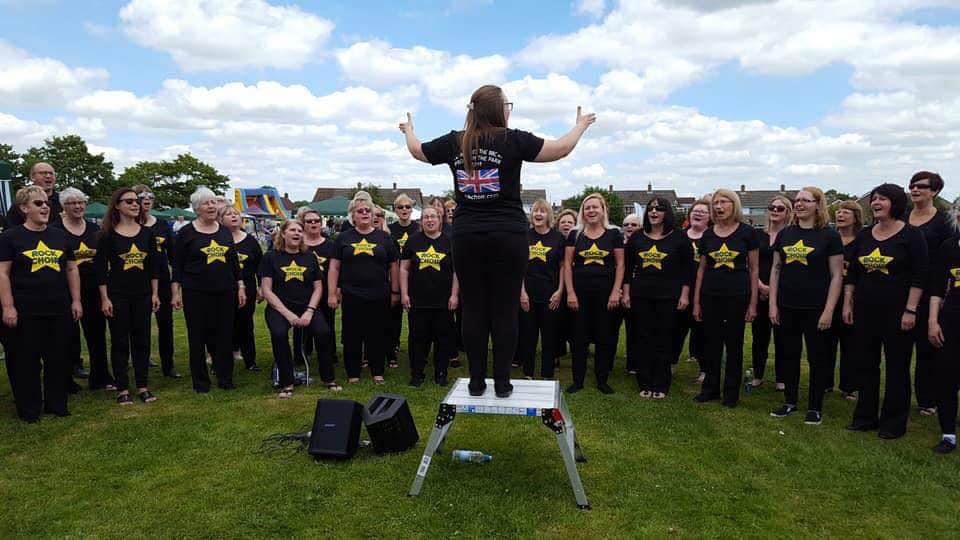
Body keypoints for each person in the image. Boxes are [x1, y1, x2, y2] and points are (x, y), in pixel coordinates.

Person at [401, 84, 596, 397]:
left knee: (475, 308)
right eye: (507, 105)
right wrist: (580, 126)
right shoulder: (513, 139)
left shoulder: (455, 141)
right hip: (508, 234)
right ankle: (503, 382)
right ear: (498, 110)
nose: (509, 110)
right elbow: (560, 149)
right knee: (505, 310)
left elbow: (416, 150)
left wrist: (409, 130)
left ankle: (477, 381)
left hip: (467, 236)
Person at [843, 183, 927, 439]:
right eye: (874, 199)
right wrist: (848, 303)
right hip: (865, 311)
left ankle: (893, 423)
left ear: (895, 203)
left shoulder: (911, 236)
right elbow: (853, 275)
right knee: (866, 365)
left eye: (882, 199)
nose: (876, 203)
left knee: (897, 368)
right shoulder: (865, 236)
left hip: (899, 313)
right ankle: (865, 417)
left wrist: (910, 310)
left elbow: (920, 275)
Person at [0, 186, 82, 422]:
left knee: (58, 358)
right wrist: (8, 306)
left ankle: (57, 404)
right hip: (25, 310)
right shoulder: (9, 238)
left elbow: (71, 268)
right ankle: (29, 408)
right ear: (24, 208)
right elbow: (3, 273)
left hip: (58, 308)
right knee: (24, 361)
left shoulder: (59, 236)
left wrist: (76, 300)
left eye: (46, 203)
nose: (45, 207)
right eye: (38, 203)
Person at [767, 187, 843, 424]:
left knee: (817, 358)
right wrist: (772, 305)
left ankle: (815, 406)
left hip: (816, 308)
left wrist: (829, 310)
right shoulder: (786, 234)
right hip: (786, 306)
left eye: (805, 200)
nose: (799, 204)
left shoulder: (829, 236)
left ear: (818, 205)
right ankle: (789, 401)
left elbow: (837, 275)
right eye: (797, 200)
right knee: (788, 355)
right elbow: (776, 269)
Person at [172, 188, 245, 393]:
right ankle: (201, 382)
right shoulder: (186, 233)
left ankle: (225, 378)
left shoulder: (223, 231)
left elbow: (233, 263)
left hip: (225, 291)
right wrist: (176, 292)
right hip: (196, 292)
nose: (211, 206)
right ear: (197, 208)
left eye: (213, 202)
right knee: (197, 337)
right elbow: (177, 265)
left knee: (224, 335)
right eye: (206, 203)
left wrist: (240, 286)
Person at [692, 189, 759, 407]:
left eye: (724, 202)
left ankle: (731, 393)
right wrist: (697, 302)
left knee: (734, 346)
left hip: (737, 296)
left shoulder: (747, 233)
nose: (719, 207)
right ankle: (710, 389)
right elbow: (701, 269)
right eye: (716, 203)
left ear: (734, 204)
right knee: (711, 344)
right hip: (710, 296)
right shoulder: (708, 234)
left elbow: (754, 270)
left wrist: (752, 303)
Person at [94, 188, 162, 405]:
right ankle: (122, 387)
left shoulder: (147, 233)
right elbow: (100, 269)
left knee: (142, 340)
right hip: (117, 295)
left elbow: (154, 267)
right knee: (120, 341)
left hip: (142, 294)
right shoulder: (107, 234)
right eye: (130, 201)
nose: (135, 204)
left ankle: (143, 385)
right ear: (117, 205)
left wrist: (154, 294)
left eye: (137, 201)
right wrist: (105, 298)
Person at [623, 197, 693, 398]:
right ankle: (644, 382)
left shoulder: (679, 238)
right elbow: (628, 268)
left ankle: (661, 384)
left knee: (664, 339)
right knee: (642, 338)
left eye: (659, 209)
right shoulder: (637, 238)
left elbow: (688, 270)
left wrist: (685, 295)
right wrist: (626, 293)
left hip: (669, 297)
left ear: (666, 213)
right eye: (651, 209)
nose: (654, 212)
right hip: (640, 296)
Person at [328, 197, 399, 384]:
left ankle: (377, 371)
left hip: (379, 294)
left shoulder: (384, 238)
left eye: (368, 210)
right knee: (352, 334)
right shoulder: (343, 238)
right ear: (353, 215)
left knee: (377, 333)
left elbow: (394, 267)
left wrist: (395, 291)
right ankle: (353, 373)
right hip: (351, 294)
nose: (365, 213)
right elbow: (334, 267)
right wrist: (332, 292)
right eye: (360, 211)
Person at [260, 220, 334, 397]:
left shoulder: (309, 257)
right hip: (279, 308)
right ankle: (287, 381)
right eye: (292, 230)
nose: (297, 233)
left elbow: (318, 288)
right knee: (278, 334)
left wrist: (310, 310)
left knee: (323, 332)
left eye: (300, 231)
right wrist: (287, 314)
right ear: (283, 233)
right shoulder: (270, 257)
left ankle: (328, 378)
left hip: (307, 306)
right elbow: (266, 290)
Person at [564, 193, 624, 394]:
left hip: (606, 294)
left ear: (603, 210)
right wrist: (570, 293)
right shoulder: (575, 234)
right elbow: (567, 265)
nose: (591, 211)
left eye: (595, 207)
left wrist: (616, 291)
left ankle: (602, 380)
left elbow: (621, 264)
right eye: (587, 207)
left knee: (604, 337)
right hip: (579, 294)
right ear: (583, 211)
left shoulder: (614, 234)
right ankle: (578, 380)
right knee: (578, 337)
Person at [906, 171, 952, 416]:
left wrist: (943, 292)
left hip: (931, 291)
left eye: (921, 186)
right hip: (901, 290)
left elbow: (948, 260)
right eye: (912, 186)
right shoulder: (902, 216)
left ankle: (926, 399)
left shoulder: (943, 221)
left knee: (927, 348)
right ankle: (898, 394)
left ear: (934, 191)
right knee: (899, 346)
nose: (914, 190)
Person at [55, 188, 109, 388]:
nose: (77, 206)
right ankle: (66, 379)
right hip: (65, 290)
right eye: (71, 203)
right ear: (63, 206)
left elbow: (103, 261)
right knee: (66, 336)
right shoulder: (55, 230)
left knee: (97, 334)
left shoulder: (95, 231)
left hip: (93, 289)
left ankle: (101, 376)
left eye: (80, 202)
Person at [400, 207, 458, 386]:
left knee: (443, 338)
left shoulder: (450, 241)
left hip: (443, 301)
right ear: (421, 221)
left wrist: (454, 295)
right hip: (418, 300)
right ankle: (417, 373)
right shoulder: (413, 241)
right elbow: (403, 268)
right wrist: (404, 293)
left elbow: (457, 271)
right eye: (426, 217)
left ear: (440, 220)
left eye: (433, 217)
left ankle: (441, 372)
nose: (429, 220)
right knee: (418, 339)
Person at [133, 185, 179, 378]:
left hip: (162, 278)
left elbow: (173, 255)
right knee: (138, 324)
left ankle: (168, 365)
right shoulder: (128, 224)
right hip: (137, 278)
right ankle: (140, 362)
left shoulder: (161, 224)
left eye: (150, 197)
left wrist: (176, 286)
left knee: (165, 323)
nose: (147, 200)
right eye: (142, 197)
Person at [519, 199, 565, 380]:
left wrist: (560, 291)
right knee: (528, 337)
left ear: (549, 215)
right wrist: (521, 292)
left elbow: (563, 266)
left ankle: (547, 374)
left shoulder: (558, 238)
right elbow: (518, 266)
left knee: (549, 338)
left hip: (550, 295)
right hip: (527, 295)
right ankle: (528, 373)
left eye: (542, 211)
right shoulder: (524, 236)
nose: (538, 214)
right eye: (535, 211)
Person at [927, 214, 960, 453]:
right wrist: (932, 320)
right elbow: (937, 288)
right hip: (951, 319)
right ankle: (948, 434)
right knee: (946, 376)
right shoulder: (949, 246)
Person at [753, 195, 791, 391]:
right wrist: (760, 285)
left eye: (780, 208)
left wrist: (774, 290)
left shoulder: (792, 237)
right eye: (772, 207)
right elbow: (751, 263)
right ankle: (758, 374)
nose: (775, 211)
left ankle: (782, 377)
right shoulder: (758, 235)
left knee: (782, 337)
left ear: (787, 213)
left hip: (782, 293)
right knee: (759, 336)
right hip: (759, 292)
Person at [827, 201, 863, 400]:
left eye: (845, 212)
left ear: (856, 217)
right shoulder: (830, 238)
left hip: (852, 298)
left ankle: (849, 386)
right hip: (829, 296)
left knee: (851, 344)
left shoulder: (862, 240)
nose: (840, 215)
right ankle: (825, 382)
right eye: (838, 212)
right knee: (826, 342)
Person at [221, 206, 263, 372]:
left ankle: (250, 360)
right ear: (221, 219)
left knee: (246, 324)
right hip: (224, 287)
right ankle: (222, 360)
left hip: (247, 288)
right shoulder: (218, 239)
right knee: (224, 325)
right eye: (228, 214)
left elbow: (260, 266)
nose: (233, 216)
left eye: (236, 214)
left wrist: (261, 287)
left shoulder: (250, 241)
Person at [673, 200, 709, 383]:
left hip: (703, 292)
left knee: (702, 333)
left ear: (710, 216)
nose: (699, 214)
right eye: (696, 210)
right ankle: (670, 364)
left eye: (703, 211)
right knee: (675, 331)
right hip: (677, 291)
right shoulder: (678, 236)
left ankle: (705, 369)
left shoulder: (712, 237)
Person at [298, 207, 337, 370]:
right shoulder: (298, 245)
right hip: (302, 292)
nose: (313, 224)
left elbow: (337, 269)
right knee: (302, 325)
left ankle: (329, 354)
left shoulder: (331, 245)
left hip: (327, 291)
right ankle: (301, 354)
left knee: (327, 324)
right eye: (309, 221)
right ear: (303, 224)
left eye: (316, 221)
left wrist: (335, 291)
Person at [389, 194, 421, 370]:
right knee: (393, 316)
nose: (404, 210)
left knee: (414, 316)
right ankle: (392, 348)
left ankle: (416, 351)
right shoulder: (390, 229)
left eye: (407, 207)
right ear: (395, 210)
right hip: (394, 276)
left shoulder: (418, 229)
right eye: (400, 207)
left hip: (414, 277)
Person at [5, 162, 63, 228]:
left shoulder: (64, 201)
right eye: (43, 173)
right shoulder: (21, 203)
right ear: (32, 177)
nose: (48, 176)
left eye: (51, 173)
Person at [555, 209, 578, 363]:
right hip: (556, 285)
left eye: (570, 222)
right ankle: (557, 352)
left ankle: (578, 349)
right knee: (557, 321)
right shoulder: (554, 240)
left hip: (577, 285)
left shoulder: (581, 239)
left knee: (576, 321)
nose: (566, 225)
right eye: (563, 222)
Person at [619, 214, 641, 375]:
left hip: (636, 292)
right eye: (626, 224)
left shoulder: (643, 244)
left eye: (634, 224)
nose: (629, 227)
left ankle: (633, 363)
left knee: (634, 329)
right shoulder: (617, 243)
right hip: (614, 291)